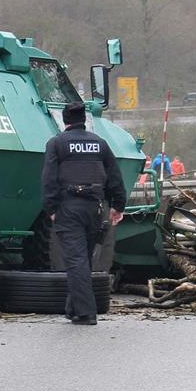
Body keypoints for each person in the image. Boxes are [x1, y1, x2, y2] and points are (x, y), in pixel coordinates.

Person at [41, 102, 126, 325]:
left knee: (76, 260)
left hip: (69, 208)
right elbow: (115, 177)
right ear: (84, 120)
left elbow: (49, 179)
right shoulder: (100, 144)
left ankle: (87, 313)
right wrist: (118, 206)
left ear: (65, 121)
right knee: (83, 259)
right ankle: (73, 308)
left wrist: (50, 208)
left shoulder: (57, 143)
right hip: (95, 208)